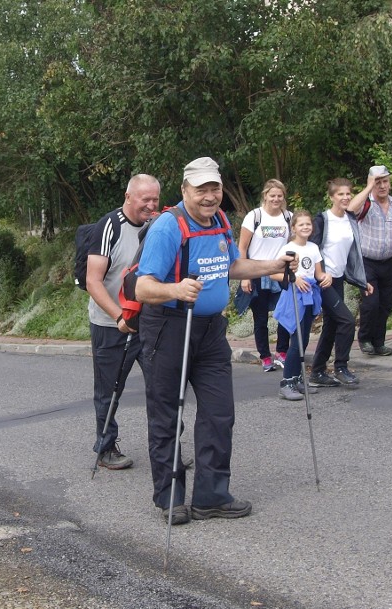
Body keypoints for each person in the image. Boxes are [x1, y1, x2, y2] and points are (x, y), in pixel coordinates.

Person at [134, 157, 296, 525]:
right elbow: (144, 286)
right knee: (166, 415)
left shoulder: (222, 221)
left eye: (215, 189)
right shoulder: (167, 227)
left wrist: (272, 267)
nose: (209, 197)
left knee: (219, 414)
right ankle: (171, 498)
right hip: (170, 327)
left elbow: (232, 267)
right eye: (201, 189)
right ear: (185, 190)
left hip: (210, 331)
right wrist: (175, 288)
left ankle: (211, 497)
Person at [86, 174, 160, 470]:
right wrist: (119, 316)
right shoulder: (109, 226)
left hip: (150, 323)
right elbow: (93, 281)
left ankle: (167, 447)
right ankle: (106, 448)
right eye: (146, 200)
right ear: (129, 197)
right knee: (109, 389)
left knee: (162, 386)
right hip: (110, 323)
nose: (151, 205)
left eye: (155, 199)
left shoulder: (158, 225)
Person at [309, 178, 373, 387]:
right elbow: (312, 250)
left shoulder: (350, 219)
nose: (345, 198)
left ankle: (317, 372)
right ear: (331, 197)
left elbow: (351, 256)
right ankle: (341, 367)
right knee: (346, 321)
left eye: (348, 194)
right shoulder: (322, 220)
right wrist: (321, 275)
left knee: (332, 324)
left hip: (337, 279)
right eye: (340, 194)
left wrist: (362, 281)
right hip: (323, 281)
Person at [348, 165, 392, 356]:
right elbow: (349, 211)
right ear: (371, 183)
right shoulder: (366, 203)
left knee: (385, 303)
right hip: (367, 261)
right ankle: (364, 339)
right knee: (371, 302)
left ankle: (379, 342)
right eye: (377, 182)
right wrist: (368, 188)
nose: (382, 186)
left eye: (385, 181)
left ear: (390, 183)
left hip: (388, 261)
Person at [236, 179, 293, 372]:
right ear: (265, 195)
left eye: (279, 195)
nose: (276, 199)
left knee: (285, 314)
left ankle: (282, 353)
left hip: (280, 272)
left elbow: (294, 245)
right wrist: (245, 276)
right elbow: (242, 248)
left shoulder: (288, 217)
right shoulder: (255, 216)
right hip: (257, 272)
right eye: (272, 195)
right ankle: (265, 357)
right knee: (260, 318)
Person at [272, 210, 329, 400]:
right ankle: (286, 382)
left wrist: (326, 277)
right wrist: (293, 279)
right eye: (301, 224)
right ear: (293, 228)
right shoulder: (287, 249)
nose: (306, 227)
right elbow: (274, 274)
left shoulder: (313, 247)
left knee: (304, 340)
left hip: (310, 295)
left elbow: (318, 273)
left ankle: (297, 379)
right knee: (296, 341)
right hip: (294, 297)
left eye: (308, 224)